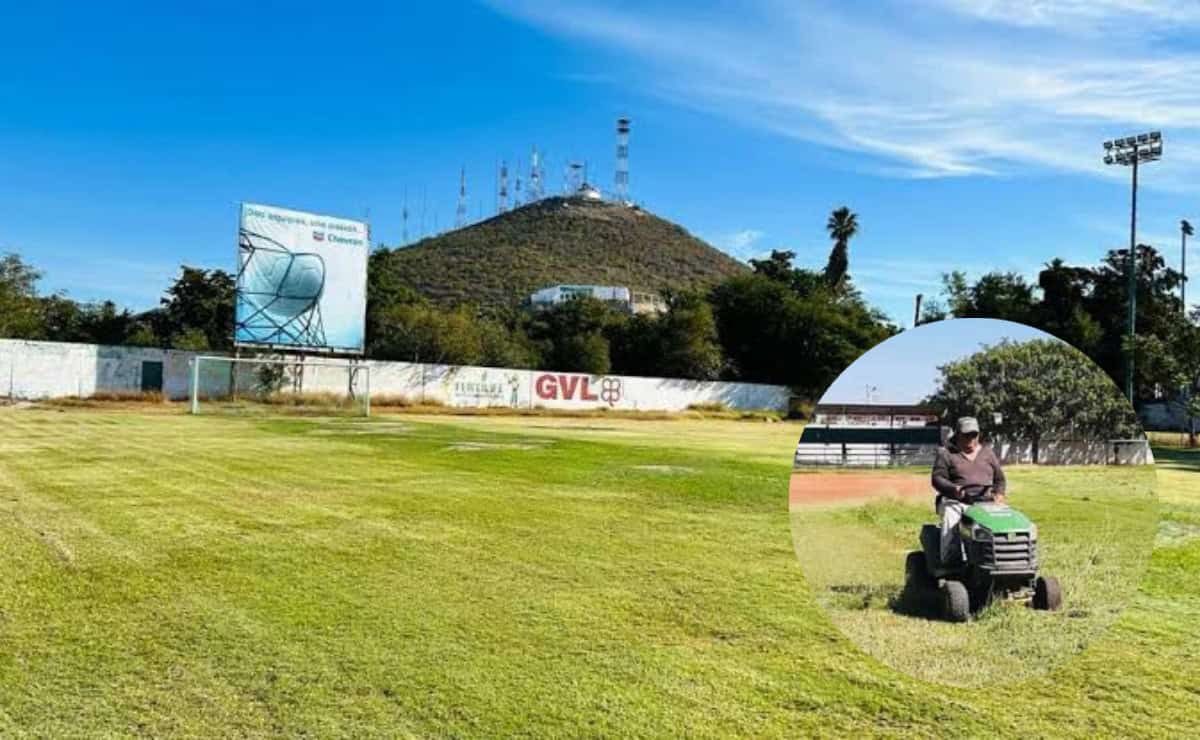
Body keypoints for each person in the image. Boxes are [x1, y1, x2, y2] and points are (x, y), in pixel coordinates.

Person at [931, 416, 1007, 567]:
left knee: (1006, 520)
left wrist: (999, 494)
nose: (971, 439)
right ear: (958, 434)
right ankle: (950, 561)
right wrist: (953, 489)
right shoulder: (946, 453)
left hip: (986, 501)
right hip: (956, 501)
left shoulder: (987, 453)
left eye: (974, 435)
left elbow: (1000, 479)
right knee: (951, 517)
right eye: (966, 435)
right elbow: (937, 479)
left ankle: (1001, 559)